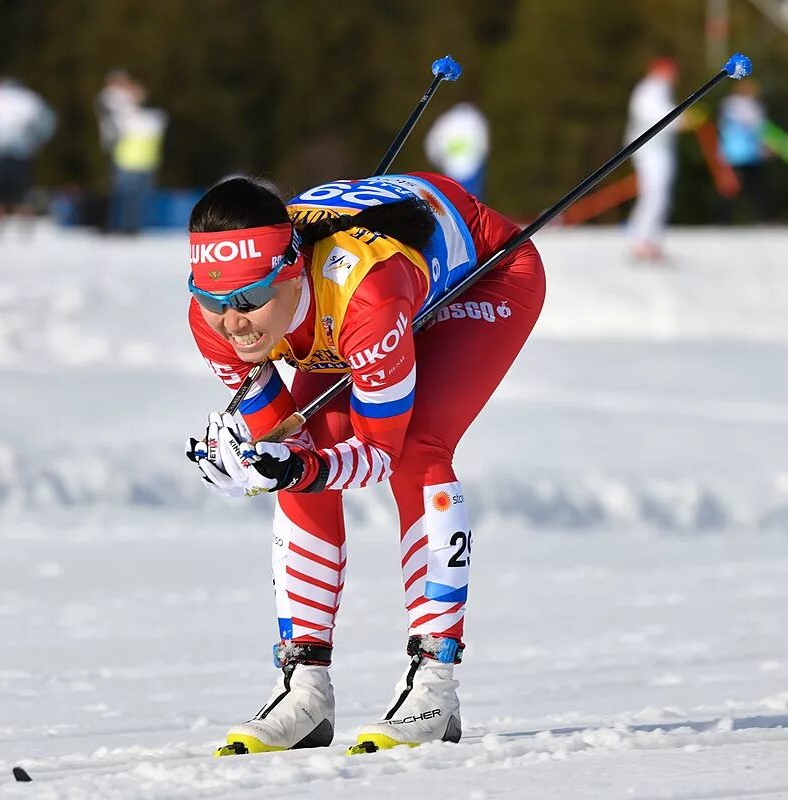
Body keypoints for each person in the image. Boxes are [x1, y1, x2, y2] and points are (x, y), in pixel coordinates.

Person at [184, 172, 545, 755]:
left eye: (249, 299)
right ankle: (304, 687)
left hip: (487, 277)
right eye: (212, 300)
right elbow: (285, 449)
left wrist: (297, 466)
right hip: (355, 308)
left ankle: (436, 683)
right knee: (296, 472)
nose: (233, 322)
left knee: (419, 450)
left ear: (292, 271)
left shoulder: (363, 297)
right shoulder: (217, 323)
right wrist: (256, 460)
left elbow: (380, 452)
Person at [95, 71, 167, 234]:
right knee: (120, 195)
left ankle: (127, 226)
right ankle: (115, 226)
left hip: (139, 160)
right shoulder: (114, 103)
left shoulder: (148, 115)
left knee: (133, 198)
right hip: (123, 157)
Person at [0, 77, 55, 231]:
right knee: (22, 185)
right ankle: (23, 215)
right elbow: (47, 121)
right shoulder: (29, 98)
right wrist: (37, 141)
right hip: (22, 147)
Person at [624, 57, 680, 262]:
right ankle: (640, 240)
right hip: (650, 150)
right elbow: (653, 116)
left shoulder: (661, 89)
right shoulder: (650, 88)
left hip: (660, 149)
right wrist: (682, 119)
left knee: (660, 195)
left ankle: (650, 239)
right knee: (653, 194)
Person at [717, 80, 771, 223]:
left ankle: (756, 218)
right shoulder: (735, 105)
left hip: (747, 154)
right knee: (733, 189)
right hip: (736, 154)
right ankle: (725, 220)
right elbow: (756, 127)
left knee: (753, 188)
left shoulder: (747, 105)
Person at [424, 102, 490, 199]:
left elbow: (432, 145)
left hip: (466, 168)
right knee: (466, 201)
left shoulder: (447, 120)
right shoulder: (473, 119)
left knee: (457, 199)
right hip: (457, 168)